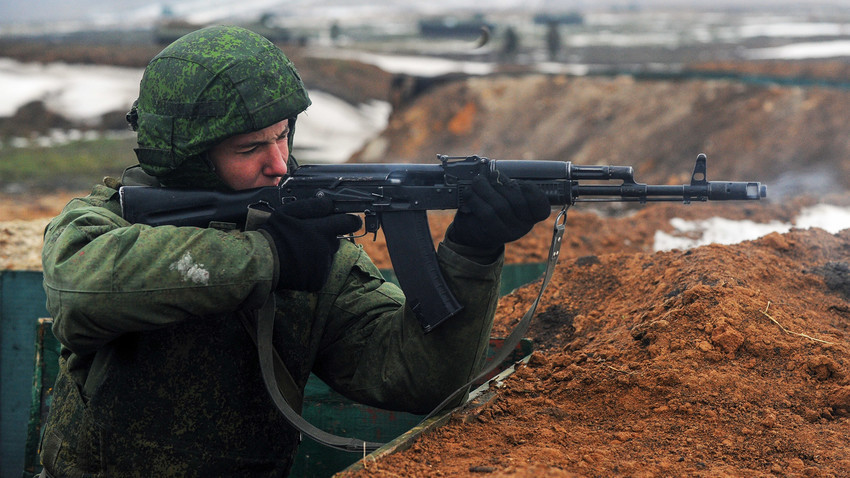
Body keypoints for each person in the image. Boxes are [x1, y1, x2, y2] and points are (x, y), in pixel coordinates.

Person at [39, 25, 550, 477]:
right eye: (249, 149)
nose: (280, 164)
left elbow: (415, 379)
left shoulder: (311, 248)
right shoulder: (104, 222)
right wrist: (269, 257)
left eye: (283, 137)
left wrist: (472, 252)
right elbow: (78, 292)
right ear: (187, 159)